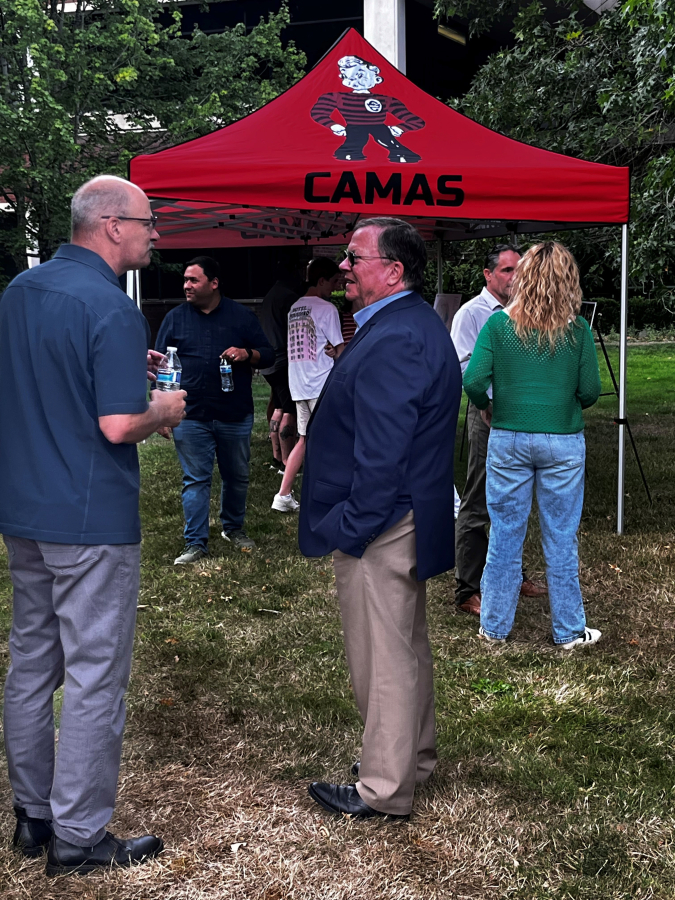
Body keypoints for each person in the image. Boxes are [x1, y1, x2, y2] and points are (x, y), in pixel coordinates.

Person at [0, 175, 186, 876]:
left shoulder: (21, 292)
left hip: (22, 507)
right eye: (147, 222)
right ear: (110, 225)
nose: (154, 234)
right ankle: (78, 838)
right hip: (88, 517)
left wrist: (112, 366)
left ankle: (32, 815)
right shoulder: (110, 308)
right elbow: (117, 424)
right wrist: (162, 413)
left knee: (31, 664)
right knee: (93, 676)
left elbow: (44, 374)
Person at [299, 218, 462, 819]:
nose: (343, 265)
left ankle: (384, 787)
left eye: (353, 257)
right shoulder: (403, 325)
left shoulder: (396, 335)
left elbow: (383, 450)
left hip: (383, 520)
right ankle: (407, 758)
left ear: (392, 270)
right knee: (404, 645)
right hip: (399, 513)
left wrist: (354, 524)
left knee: (383, 654)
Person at [463, 241, 602, 649]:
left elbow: (472, 381)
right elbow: (590, 392)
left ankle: (494, 627)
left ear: (522, 278)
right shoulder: (577, 330)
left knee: (505, 533)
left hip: (508, 437)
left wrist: (489, 408)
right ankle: (568, 631)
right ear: (567, 280)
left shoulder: (497, 325)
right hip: (562, 441)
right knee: (560, 536)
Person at [156, 256, 274, 561]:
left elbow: (269, 355)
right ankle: (195, 542)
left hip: (234, 413)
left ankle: (233, 528)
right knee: (195, 479)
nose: (186, 286)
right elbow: (161, 369)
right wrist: (161, 413)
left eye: (193, 280)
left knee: (237, 476)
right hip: (191, 414)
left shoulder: (241, 316)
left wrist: (246, 353)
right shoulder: (175, 319)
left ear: (214, 283)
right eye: (185, 280)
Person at [450, 244, 547, 616]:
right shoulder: (471, 315)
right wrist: (488, 402)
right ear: (488, 275)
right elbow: (462, 368)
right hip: (487, 414)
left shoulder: (525, 312)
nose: (515, 277)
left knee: (515, 497)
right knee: (478, 498)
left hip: (520, 416)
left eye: (518, 270)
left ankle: (513, 575)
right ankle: (467, 589)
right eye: (507, 270)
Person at [272, 258, 344, 512]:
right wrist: (339, 353)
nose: (336, 289)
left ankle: (283, 494)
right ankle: (329, 496)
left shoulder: (295, 308)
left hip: (300, 383)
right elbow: (340, 350)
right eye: (335, 282)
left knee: (305, 439)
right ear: (321, 280)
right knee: (333, 441)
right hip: (322, 383)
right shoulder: (327, 309)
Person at [259, 265, 303, 471]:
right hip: (283, 360)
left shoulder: (269, 296)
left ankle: (277, 456)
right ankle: (287, 461)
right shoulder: (288, 298)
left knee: (278, 406)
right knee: (289, 410)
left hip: (269, 364)